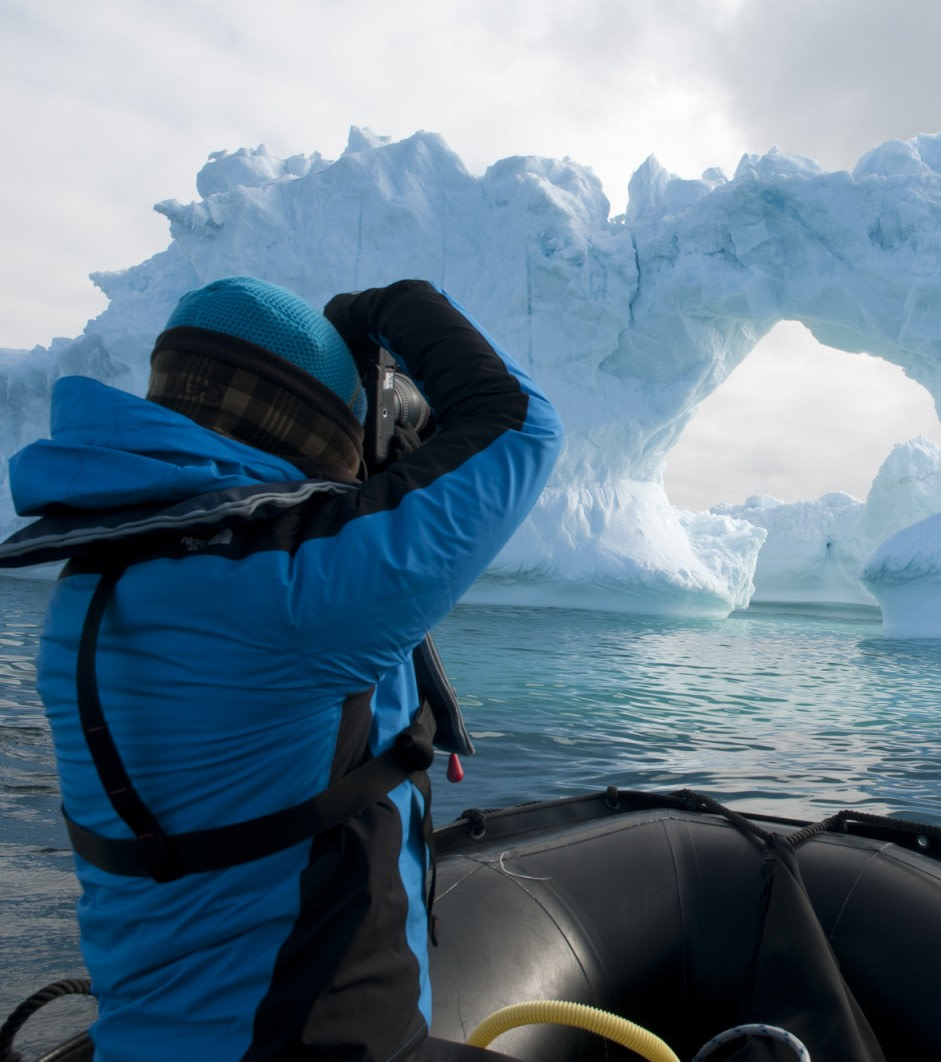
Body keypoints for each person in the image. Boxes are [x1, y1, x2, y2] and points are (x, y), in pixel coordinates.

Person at [0, 277, 563, 1059]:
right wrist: (386, 306)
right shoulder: (300, 596)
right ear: (315, 429)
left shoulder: (94, 577)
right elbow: (520, 427)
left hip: (147, 1036)